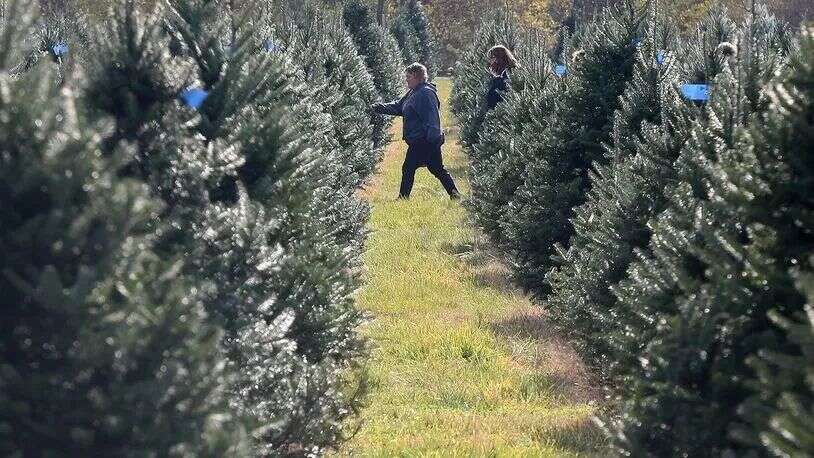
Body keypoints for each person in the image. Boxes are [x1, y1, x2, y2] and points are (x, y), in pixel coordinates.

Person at [371, 62, 460, 200]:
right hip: (421, 140)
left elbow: (433, 119)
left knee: (409, 168)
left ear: (418, 76)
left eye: (409, 76)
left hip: (424, 140)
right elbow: (398, 106)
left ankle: (403, 198)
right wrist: (378, 107)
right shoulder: (414, 92)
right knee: (436, 169)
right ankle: (455, 195)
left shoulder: (425, 93)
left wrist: (432, 141)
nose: (406, 79)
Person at [485, 45, 517, 110]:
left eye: (491, 58)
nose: (490, 63)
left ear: (497, 59)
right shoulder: (511, 71)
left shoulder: (503, 78)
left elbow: (492, 101)